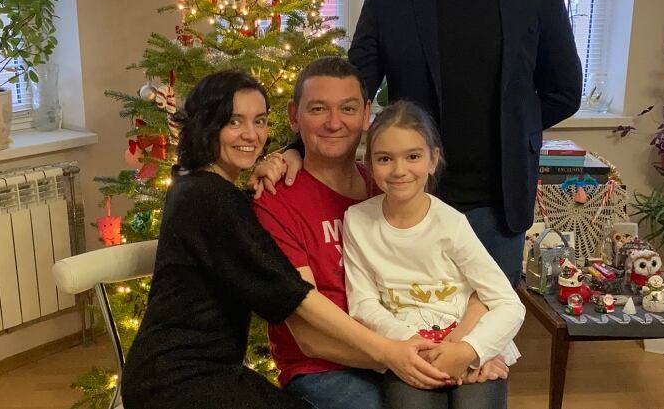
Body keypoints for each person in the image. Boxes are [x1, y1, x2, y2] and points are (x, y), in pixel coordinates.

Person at [263, 0, 583, 287]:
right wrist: (295, 148)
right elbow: (351, 91)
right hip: (406, 194)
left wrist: (511, 124)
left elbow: (564, 91)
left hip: (498, 204)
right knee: (410, 323)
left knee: (485, 335)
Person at [121, 70, 445, 409]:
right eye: (234, 121)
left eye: (259, 121)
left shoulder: (204, 188)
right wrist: (388, 352)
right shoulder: (210, 197)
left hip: (203, 371)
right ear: (208, 123)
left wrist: (287, 155)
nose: (251, 134)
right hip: (176, 381)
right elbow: (293, 294)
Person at [253, 57, 500, 409]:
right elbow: (309, 336)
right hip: (327, 367)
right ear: (294, 116)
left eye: (348, 108)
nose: (334, 122)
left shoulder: (390, 181)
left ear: (367, 114)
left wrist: (474, 347)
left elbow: (465, 280)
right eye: (318, 108)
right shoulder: (276, 200)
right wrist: (400, 358)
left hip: (417, 344)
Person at [343, 100, 525, 409]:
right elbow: (363, 303)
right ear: (370, 165)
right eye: (385, 158)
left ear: (432, 160)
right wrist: (417, 347)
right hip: (406, 350)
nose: (399, 170)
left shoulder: (451, 224)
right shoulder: (357, 220)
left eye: (412, 156)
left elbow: (508, 303)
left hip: (466, 340)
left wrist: (470, 350)